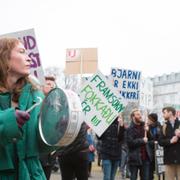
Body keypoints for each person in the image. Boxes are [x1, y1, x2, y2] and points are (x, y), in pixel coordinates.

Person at [0, 37, 51, 179]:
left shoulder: (36, 95)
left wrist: (56, 129)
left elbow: (40, 146)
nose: (29, 59)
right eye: (22, 52)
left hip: (31, 174)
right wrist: (9, 121)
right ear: (4, 56)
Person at [126, 109, 153, 180]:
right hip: (134, 157)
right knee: (133, 177)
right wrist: (142, 140)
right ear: (133, 117)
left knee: (145, 178)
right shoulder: (129, 129)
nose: (140, 116)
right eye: (137, 114)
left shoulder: (145, 126)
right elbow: (130, 143)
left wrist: (148, 131)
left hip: (145, 158)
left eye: (140, 114)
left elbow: (150, 139)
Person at [39, 76, 57, 180]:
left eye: (53, 86)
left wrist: (56, 148)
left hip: (50, 153)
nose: (51, 87)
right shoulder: (36, 102)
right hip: (36, 151)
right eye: (48, 84)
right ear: (42, 86)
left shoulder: (56, 107)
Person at [97, 115, 125, 180]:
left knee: (112, 177)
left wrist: (121, 126)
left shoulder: (120, 125)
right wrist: (98, 128)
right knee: (107, 177)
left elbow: (122, 139)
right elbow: (99, 137)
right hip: (106, 154)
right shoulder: (104, 124)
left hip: (116, 154)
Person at [159, 106, 180, 180]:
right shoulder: (164, 126)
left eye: (164, 113)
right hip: (169, 160)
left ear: (170, 113)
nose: (163, 115)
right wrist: (170, 141)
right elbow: (160, 142)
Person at [147, 113, 161, 180]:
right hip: (150, 152)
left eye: (149, 119)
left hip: (158, 151)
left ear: (152, 119)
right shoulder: (148, 127)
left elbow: (159, 139)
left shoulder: (159, 127)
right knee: (150, 170)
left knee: (160, 170)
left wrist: (151, 142)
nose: (148, 120)